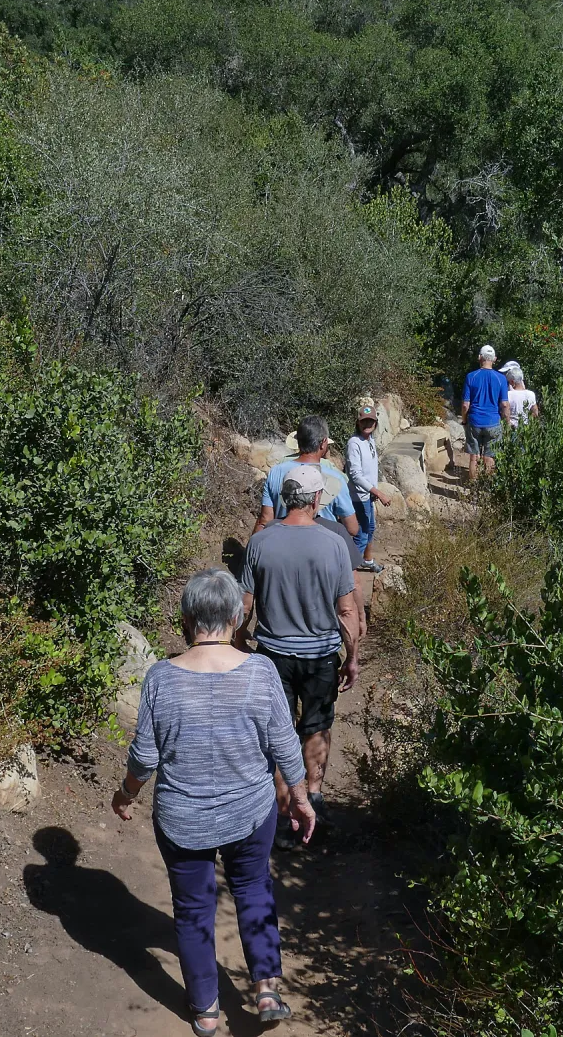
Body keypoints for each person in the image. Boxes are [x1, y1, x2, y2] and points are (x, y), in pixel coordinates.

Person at [113, 568, 317, 1036]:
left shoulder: (161, 677)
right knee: (253, 890)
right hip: (250, 812)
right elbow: (286, 744)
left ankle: (205, 1011)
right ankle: (266, 990)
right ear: (238, 613)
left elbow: (144, 758)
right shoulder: (260, 671)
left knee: (191, 910)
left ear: (186, 619)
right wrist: (301, 798)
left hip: (182, 817)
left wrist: (125, 795)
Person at [237, 464, 359, 849]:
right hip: (321, 654)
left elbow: (244, 605)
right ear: (318, 499)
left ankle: (285, 813)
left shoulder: (260, 543)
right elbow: (347, 611)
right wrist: (352, 655)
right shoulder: (334, 544)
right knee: (317, 726)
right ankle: (314, 802)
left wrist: (240, 641)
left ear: (285, 498)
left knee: (278, 734)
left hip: (272, 654)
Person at [252, 416, 359, 538]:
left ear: (298, 441)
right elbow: (352, 529)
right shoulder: (336, 478)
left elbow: (265, 520)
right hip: (322, 548)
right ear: (323, 443)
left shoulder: (275, 472)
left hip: (282, 544)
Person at [345, 403, 390, 573]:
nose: (368, 425)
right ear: (358, 423)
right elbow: (355, 475)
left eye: (371, 421)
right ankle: (348, 573)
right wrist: (377, 492)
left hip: (367, 495)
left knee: (369, 529)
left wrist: (373, 491)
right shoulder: (354, 443)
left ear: (376, 423)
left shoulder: (370, 441)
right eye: (364, 421)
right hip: (359, 497)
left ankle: (367, 561)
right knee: (361, 535)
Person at [461, 344, 512, 479]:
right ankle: (486, 490)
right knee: (489, 458)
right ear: (494, 359)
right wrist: (507, 422)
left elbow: (466, 405)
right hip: (493, 422)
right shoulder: (501, 378)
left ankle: (473, 489)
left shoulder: (471, 376)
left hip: (475, 421)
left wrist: (464, 420)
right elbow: (505, 404)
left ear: (479, 357)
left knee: (474, 457)